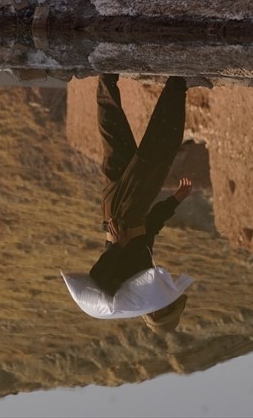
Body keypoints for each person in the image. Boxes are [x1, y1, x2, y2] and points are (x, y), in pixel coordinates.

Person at [88, 73, 194, 332]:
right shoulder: (142, 279)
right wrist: (173, 201)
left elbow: (97, 278)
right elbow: (150, 230)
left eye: (164, 310)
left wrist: (118, 247)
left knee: (160, 150)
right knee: (116, 140)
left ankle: (177, 81)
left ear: (155, 312)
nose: (165, 304)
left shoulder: (124, 287)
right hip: (119, 209)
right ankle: (106, 78)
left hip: (126, 211)